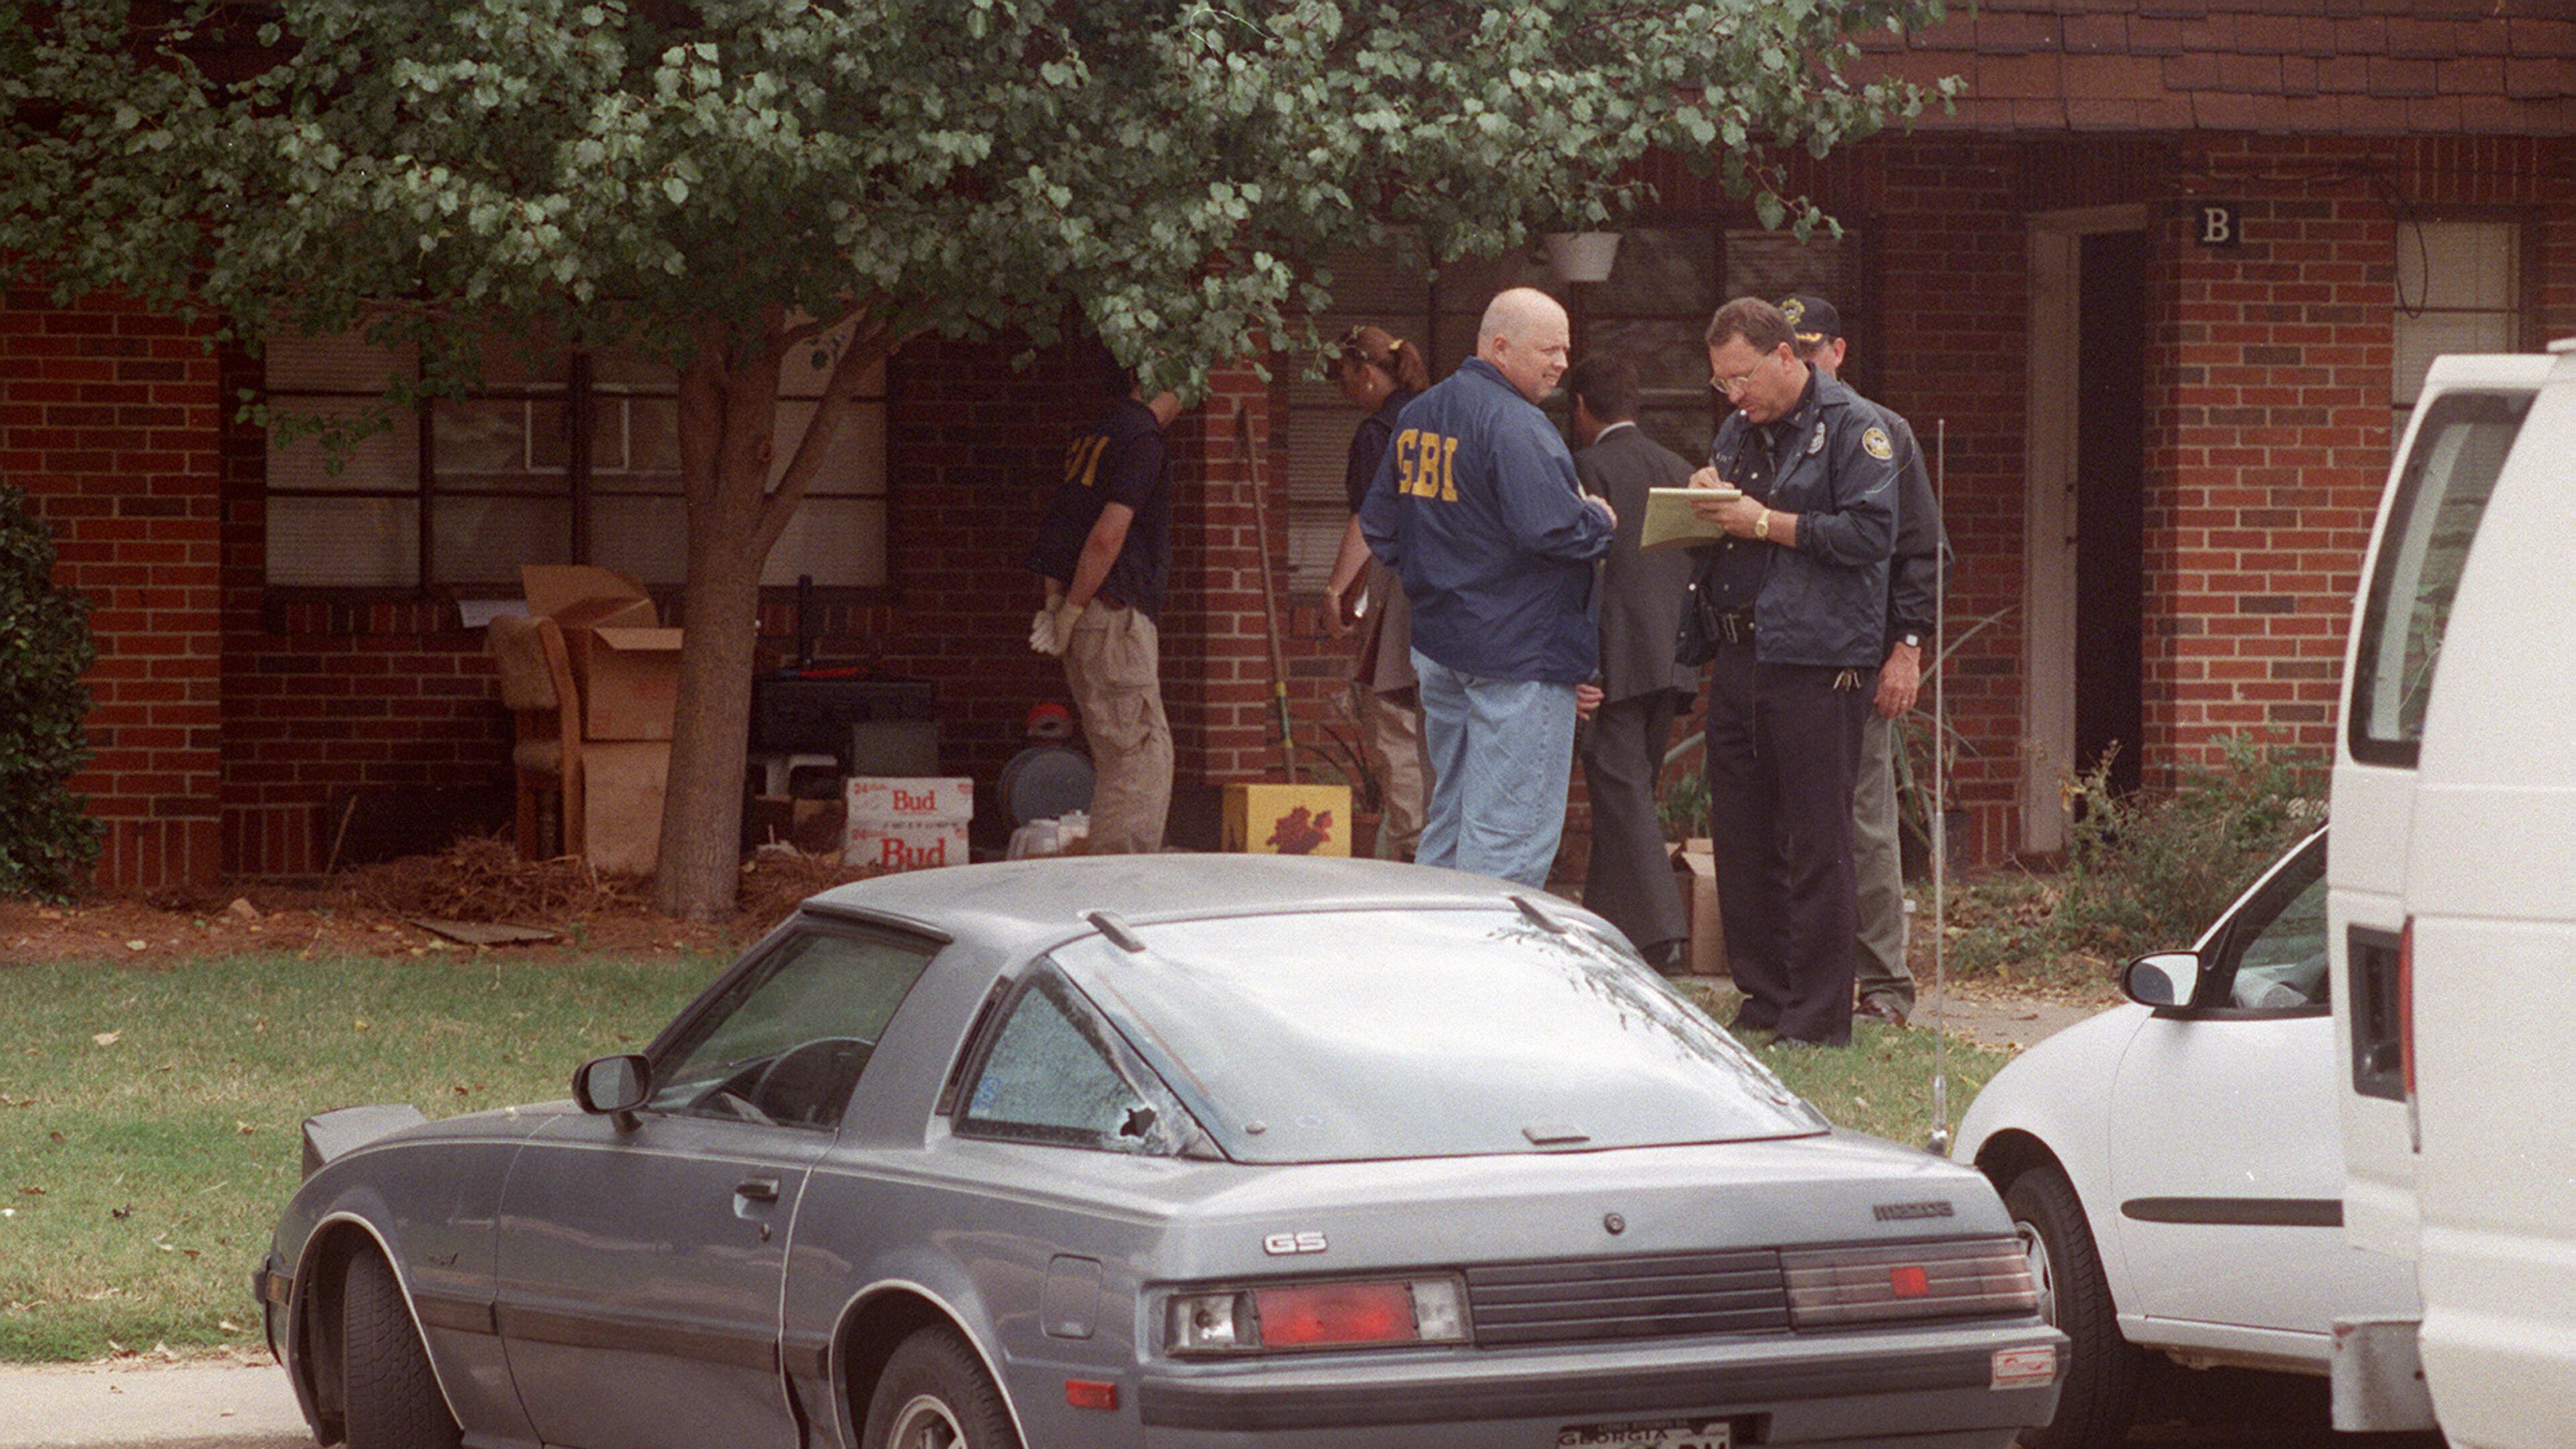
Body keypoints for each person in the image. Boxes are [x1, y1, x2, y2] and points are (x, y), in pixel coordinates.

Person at [1687, 297, 1896, 1047]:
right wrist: (1705, 497)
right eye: (1721, 383)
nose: (1734, 395)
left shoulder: (1854, 428)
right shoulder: (1741, 430)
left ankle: (1817, 1015)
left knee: (1815, 841)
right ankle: (1764, 997)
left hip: (1816, 661)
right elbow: (1731, 517)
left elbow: (1872, 534)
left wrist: (1765, 523)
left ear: (1787, 358)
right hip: (1741, 652)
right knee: (1742, 836)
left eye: (1742, 377)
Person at [1358, 287, 1615, 888]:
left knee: (1449, 820)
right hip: (1519, 656)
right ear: (1501, 347)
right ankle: (1484, 974)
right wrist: (1599, 520)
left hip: (1443, 648)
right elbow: (1553, 528)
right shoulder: (1516, 424)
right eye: (1549, 349)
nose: (1561, 363)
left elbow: (1381, 525)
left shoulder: (1418, 415)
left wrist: (1439, 577)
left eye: (1565, 350)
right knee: (1508, 840)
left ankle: (1435, 968)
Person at [1778, 294, 1952, 1028]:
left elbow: (1923, 553)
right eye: (1791, 353)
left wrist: (1906, 650)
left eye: (1814, 350)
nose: (1806, 365)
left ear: (1838, 352)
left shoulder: (1879, 432)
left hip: (1860, 660)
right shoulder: (1764, 433)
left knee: (1865, 822)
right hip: (1791, 660)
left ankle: (1885, 983)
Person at [1562, 353, 1698, 973]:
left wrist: (1581, 668)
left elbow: (1582, 571)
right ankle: (1609, 924)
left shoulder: (1587, 467)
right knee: (1632, 792)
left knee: (1622, 794)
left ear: (1582, 409)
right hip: (1669, 657)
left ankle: (1667, 934)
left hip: (1612, 659)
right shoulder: (1676, 469)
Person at [1027, 362, 1182, 855]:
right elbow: (1106, 535)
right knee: (1140, 759)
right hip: (1113, 613)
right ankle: (1120, 889)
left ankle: (1108, 880)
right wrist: (1072, 608)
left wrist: (1058, 603)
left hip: (1086, 610)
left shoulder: (1093, 437)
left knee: (1119, 759)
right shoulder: (1143, 439)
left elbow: (1059, 529)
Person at [1319, 325, 1434, 859]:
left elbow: (1369, 517)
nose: (1343, 392)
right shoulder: (1437, 417)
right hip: (1453, 592)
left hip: (1398, 593)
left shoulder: (1378, 433)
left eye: (1344, 379)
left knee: (1391, 720)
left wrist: (1337, 589)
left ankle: (1413, 847)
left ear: (1366, 374)